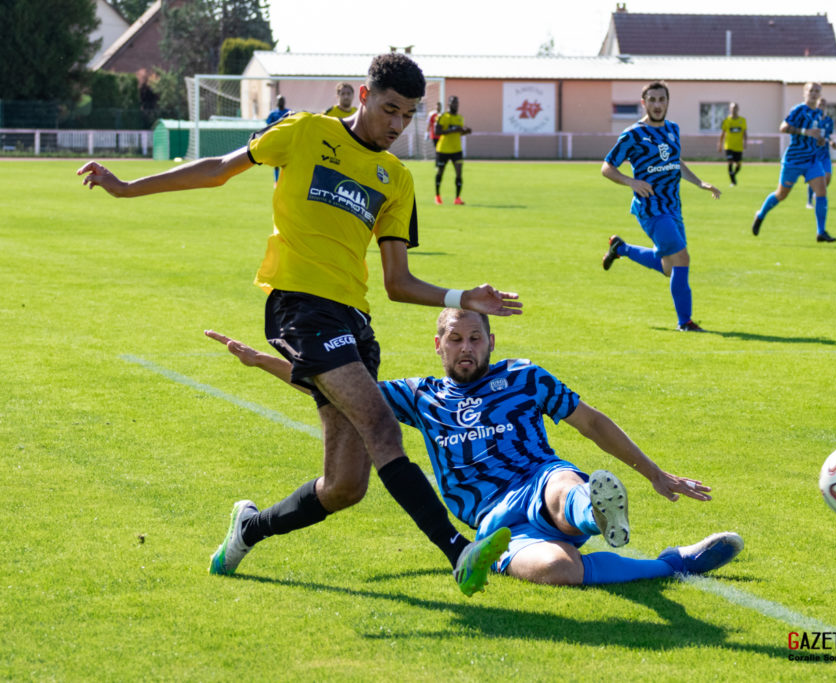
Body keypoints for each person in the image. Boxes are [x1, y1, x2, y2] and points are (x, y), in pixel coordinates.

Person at [76, 53, 523, 597]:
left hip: (354, 320)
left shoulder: (398, 179)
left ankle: (249, 528)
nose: (397, 126)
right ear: (363, 96)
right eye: (389, 110)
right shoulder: (304, 133)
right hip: (300, 308)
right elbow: (219, 169)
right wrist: (126, 187)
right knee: (383, 425)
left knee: (344, 486)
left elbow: (398, 283)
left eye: (407, 116)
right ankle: (459, 552)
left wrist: (459, 296)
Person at [206, 309, 744, 586]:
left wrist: (654, 472)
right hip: (491, 522)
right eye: (456, 339)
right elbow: (334, 385)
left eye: (476, 339)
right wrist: (264, 362)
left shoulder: (523, 377)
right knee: (558, 572)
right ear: (438, 344)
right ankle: (672, 564)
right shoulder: (418, 395)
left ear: (491, 342)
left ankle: (592, 510)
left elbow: (592, 423)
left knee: (564, 487)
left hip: (538, 479)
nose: (467, 348)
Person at [600, 81, 721, 333]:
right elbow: (607, 167)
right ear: (644, 103)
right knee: (682, 259)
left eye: (661, 100)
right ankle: (685, 322)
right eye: (652, 100)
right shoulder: (633, 134)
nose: (657, 105)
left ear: (668, 102)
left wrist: (700, 182)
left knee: (669, 267)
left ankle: (621, 248)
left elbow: (675, 162)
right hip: (651, 208)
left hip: (673, 207)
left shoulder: (673, 129)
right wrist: (631, 182)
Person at [751, 82, 836, 243]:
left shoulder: (818, 113)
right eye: (811, 90)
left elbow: (815, 135)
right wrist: (805, 132)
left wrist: (819, 140)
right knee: (781, 195)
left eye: (817, 91)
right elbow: (783, 127)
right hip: (794, 160)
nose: (814, 93)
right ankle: (760, 214)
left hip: (812, 160)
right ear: (805, 93)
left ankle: (821, 232)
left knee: (822, 192)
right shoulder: (798, 110)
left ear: (820, 94)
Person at [434, 95, 471, 205]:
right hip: (443, 150)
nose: (456, 105)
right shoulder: (443, 116)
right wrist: (453, 129)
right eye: (454, 103)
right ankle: (437, 196)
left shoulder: (460, 117)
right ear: (449, 104)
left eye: (457, 103)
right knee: (440, 172)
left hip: (456, 150)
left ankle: (457, 198)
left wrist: (465, 131)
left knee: (459, 173)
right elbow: (437, 131)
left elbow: (459, 132)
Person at [806, 96, 836, 209]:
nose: (821, 107)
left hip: (825, 154)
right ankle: (809, 202)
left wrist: (831, 142)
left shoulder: (829, 120)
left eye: (823, 105)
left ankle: (815, 194)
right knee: (814, 177)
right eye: (819, 104)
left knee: (827, 177)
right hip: (814, 153)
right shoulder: (812, 119)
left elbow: (828, 136)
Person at [717, 102, 747, 187]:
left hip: (738, 146)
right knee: (730, 162)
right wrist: (720, 144)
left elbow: (744, 133)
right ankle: (733, 182)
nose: (734, 110)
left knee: (738, 164)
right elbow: (722, 133)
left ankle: (733, 174)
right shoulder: (726, 121)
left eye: (735, 108)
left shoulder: (742, 120)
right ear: (730, 109)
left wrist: (745, 142)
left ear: (738, 109)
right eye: (732, 108)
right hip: (728, 146)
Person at [265, 95, 292, 186]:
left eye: (282, 100)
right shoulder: (273, 113)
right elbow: (268, 125)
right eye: (279, 100)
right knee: (276, 161)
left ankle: (286, 180)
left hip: (286, 139)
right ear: (277, 102)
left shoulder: (289, 112)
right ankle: (276, 181)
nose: (280, 102)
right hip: (276, 140)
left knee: (287, 161)